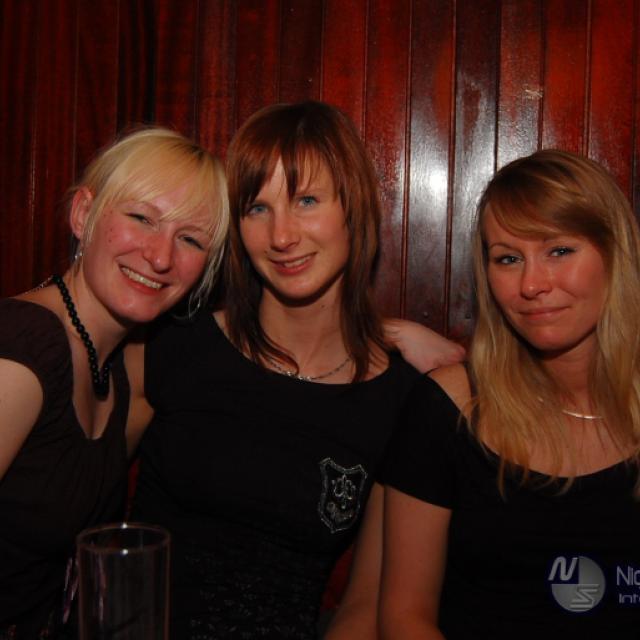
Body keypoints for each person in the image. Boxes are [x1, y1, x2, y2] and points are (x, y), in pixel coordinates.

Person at [128, 100, 463, 639]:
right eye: (257, 208)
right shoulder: (173, 347)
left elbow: (364, 607)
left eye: (306, 200)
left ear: (354, 207)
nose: (282, 236)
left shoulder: (398, 399)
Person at [379, 149, 640, 639]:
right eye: (508, 259)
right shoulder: (451, 408)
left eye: (559, 250)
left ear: (615, 253)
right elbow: (404, 618)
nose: (531, 284)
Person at [0, 127, 228, 639]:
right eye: (142, 218)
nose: (161, 256)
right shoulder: (20, 352)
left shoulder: (122, 367)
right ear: (84, 215)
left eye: (191, 239)